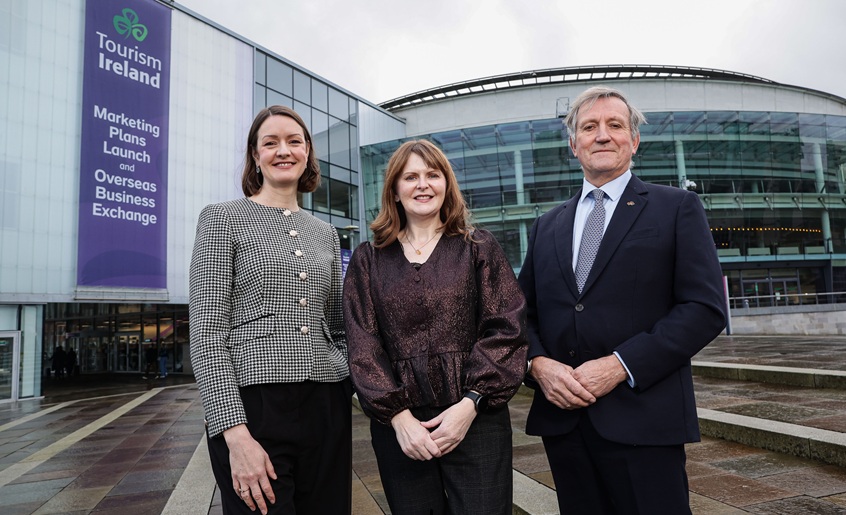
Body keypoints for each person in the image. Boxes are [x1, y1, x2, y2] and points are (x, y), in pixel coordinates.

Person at [518, 86, 727, 514]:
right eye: (589, 127)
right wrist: (537, 365)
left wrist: (619, 365)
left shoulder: (676, 208)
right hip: (566, 425)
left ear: (634, 140)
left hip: (645, 420)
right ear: (573, 144)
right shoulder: (546, 225)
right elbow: (520, 315)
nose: (602, 135)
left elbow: (704, 308)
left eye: (615, 125)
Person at [344, 139, 528, 514]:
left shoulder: (478, 247)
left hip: (476, 419)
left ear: (447, 184)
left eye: (432, 174)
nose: (422, 184)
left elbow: (505, 327)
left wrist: (471, 402)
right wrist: (398, 418)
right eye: (410, 177)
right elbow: (363, 343)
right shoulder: (368, 260)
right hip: (401, 428)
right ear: (394, 190)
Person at [189, 105, 351, 515]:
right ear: (255, 155)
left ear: (308, 154)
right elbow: (207, 333)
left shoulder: (326, 233)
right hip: (255, 408)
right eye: (271, 142)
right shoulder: (221, 218)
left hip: (326, 404)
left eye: (295, 141)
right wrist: (234, 432)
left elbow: (337, 328)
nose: (284, 150)